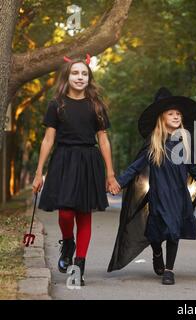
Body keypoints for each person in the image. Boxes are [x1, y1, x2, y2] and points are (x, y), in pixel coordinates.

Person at [108, 87, 196, 285]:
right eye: (171, 113)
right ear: (162, 117)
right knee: (156, 232)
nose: (176, 116)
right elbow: (135, 167)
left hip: (178, 195)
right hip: (157, 195)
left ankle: (169, 270)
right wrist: (119, 182)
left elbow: (194, 168)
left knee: (174, 230)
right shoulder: (153, 142)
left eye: (178, 114)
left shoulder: (186, 141)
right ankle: (156, 251)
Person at [32, 55, 118, 286]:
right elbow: (48, 140)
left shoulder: (96, 106)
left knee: (84, 214)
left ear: (89, 78)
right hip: (63, 159)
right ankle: (68, 242)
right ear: (67, 77)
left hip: (89, 161)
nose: (80, 77)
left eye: (84, 74)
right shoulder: (56, 105)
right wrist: (39, 172)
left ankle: (79, 264)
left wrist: (110, 174)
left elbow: (104, 140)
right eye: (75, 73)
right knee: (66, 213)